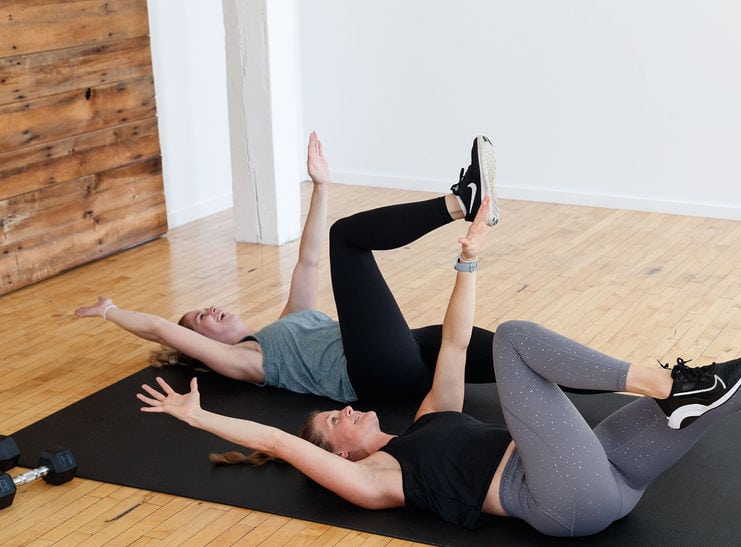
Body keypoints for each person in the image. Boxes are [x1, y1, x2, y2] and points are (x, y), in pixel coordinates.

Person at [136, 213, 741, 537]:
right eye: (335, 423)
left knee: (734, 393)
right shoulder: (379, 478)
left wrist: (468, 259)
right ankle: (669, 385)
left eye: (340, 414)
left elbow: (455, 347)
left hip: (603, 475)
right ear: (344, 452)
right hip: (557, 498)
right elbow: (282, 447)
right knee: (522, 337)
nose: (346, 412)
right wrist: (199, 417)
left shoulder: (423, 419)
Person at [77, 132, 500, 403]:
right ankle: (462, 201)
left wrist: (321, 186)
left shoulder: (290, 320)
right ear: (200, 346)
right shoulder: (244, 362)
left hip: (400, 359)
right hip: (373, 375)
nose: (212, 310)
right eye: (201, 320)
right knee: (348, 238)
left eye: (205, 307)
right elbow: (161, 330)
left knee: (502, 349)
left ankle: (560, 373)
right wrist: (111, 311)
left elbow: (309, 257)